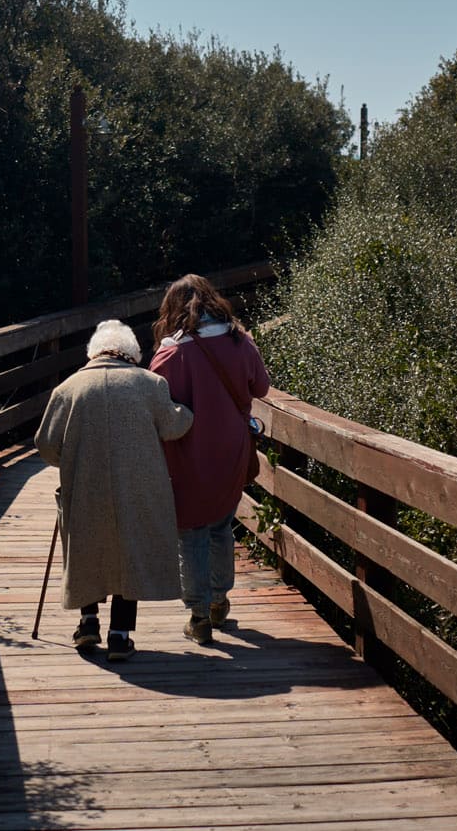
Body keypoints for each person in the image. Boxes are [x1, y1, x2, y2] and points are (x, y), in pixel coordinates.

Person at [33, 319, 194, 661]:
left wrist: (71, 457)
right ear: (132, 354)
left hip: (86, 487)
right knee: (129, 553)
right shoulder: (151, 384)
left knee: (86, 550)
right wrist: (190, 410)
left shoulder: (68, 389)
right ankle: (120, 637)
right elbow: (174, 426)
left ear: (92, 352)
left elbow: (45, 445)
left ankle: (88, 623)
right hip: (137, 489)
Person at [149, 274, 271, 644]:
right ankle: (219, 602)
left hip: (188, 454)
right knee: (221, 527)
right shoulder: (240, 342)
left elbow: (152, 399)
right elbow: (261, 388)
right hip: (231, 451)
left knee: (191, 534)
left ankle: (199, 615)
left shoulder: (173, 352)